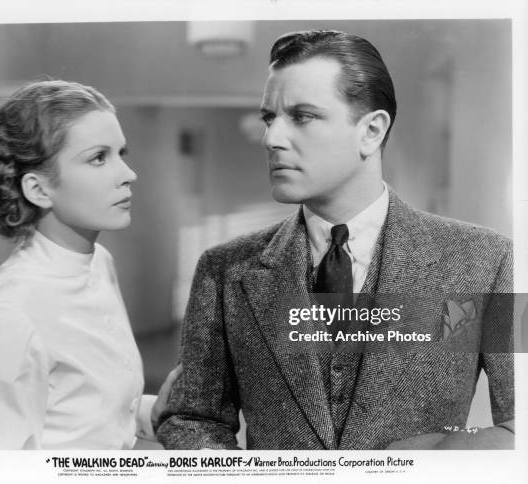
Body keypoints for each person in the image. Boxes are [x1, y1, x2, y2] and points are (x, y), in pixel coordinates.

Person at [157, 30, 514, 450]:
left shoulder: (484, 260)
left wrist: (439, 455)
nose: (272, 138)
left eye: (302, 116)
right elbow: (193, 418)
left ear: (371, 131)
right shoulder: (225, 270)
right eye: (269, 118)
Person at [0, 79, 180, 449]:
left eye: (121, 153)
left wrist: (153, 413)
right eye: (98, 157)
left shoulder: (99, 264)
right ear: (39, 190)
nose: (128, 174)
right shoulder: (8, 313)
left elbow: (78, 415)